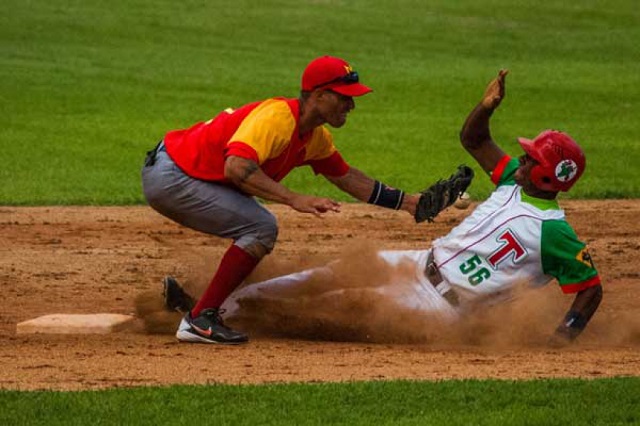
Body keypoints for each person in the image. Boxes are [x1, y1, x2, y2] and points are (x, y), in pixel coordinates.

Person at [162, 69, 603, 346]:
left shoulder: (555, 232)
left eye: (531, 159)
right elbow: (474, 140)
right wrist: (486, 107)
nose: (521, 160)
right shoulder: (512, 181)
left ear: (549, 175)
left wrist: (564, 337)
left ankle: (224, 315)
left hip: (442, 306)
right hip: (418, 263)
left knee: (345, 302)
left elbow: (591, 287)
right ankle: (212, 308)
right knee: (319, 277)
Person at [142, 56, 464, 345]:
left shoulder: (314, 136)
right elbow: (237, 167)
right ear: (319, 95)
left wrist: (410, 203)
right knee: (261, 226)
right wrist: (293, 198)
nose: (350, 106)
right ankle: (200, 320)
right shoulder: (278, 118)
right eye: (344, 97)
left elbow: (347, 178)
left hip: (181, 175)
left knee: (254, 228)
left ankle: (194, 305)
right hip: (173, 176)